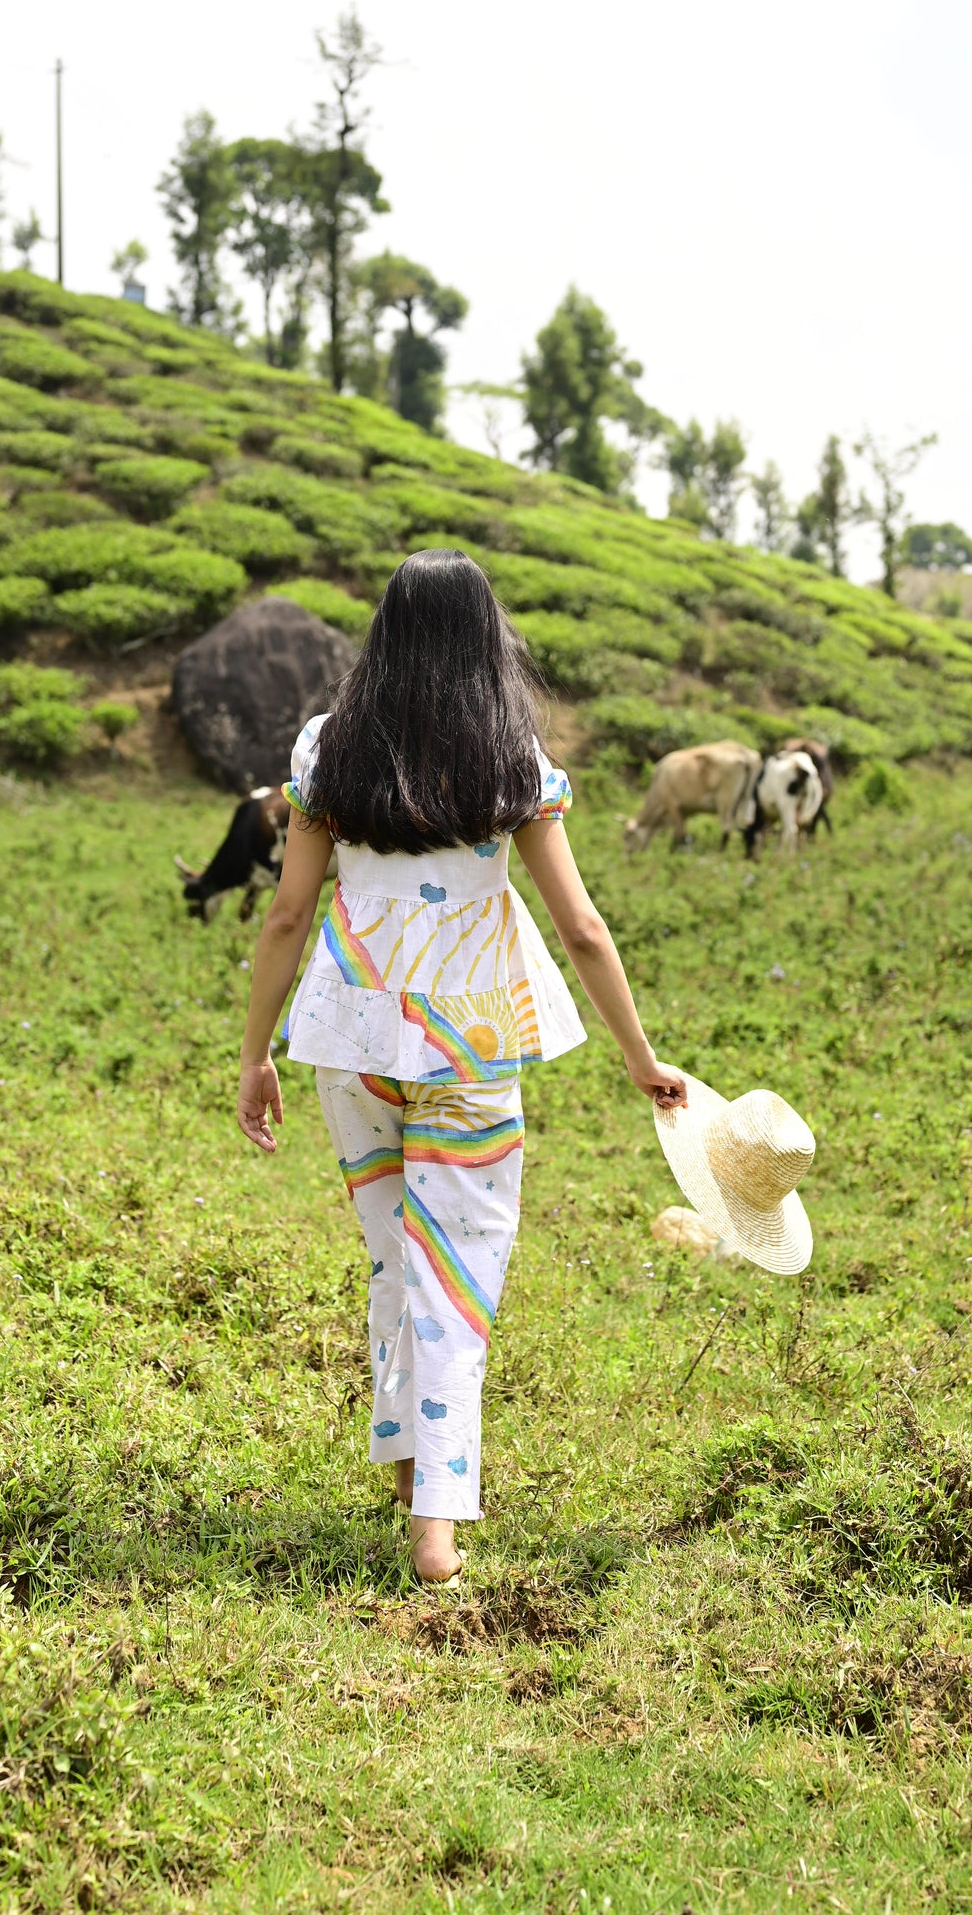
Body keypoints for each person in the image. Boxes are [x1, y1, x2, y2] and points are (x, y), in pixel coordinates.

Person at [237, 549, 686, 1583]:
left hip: (350, 1042)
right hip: (471, 1043)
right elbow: (579, 927)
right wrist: (638, 1056)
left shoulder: (327, 750)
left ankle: (406, 1470)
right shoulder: (510, 759)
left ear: (384, 635)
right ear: (487, 640)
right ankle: (435, 1522)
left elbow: (287, 915)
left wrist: (255, 1051)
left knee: (395, 1256)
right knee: (456, 1272)